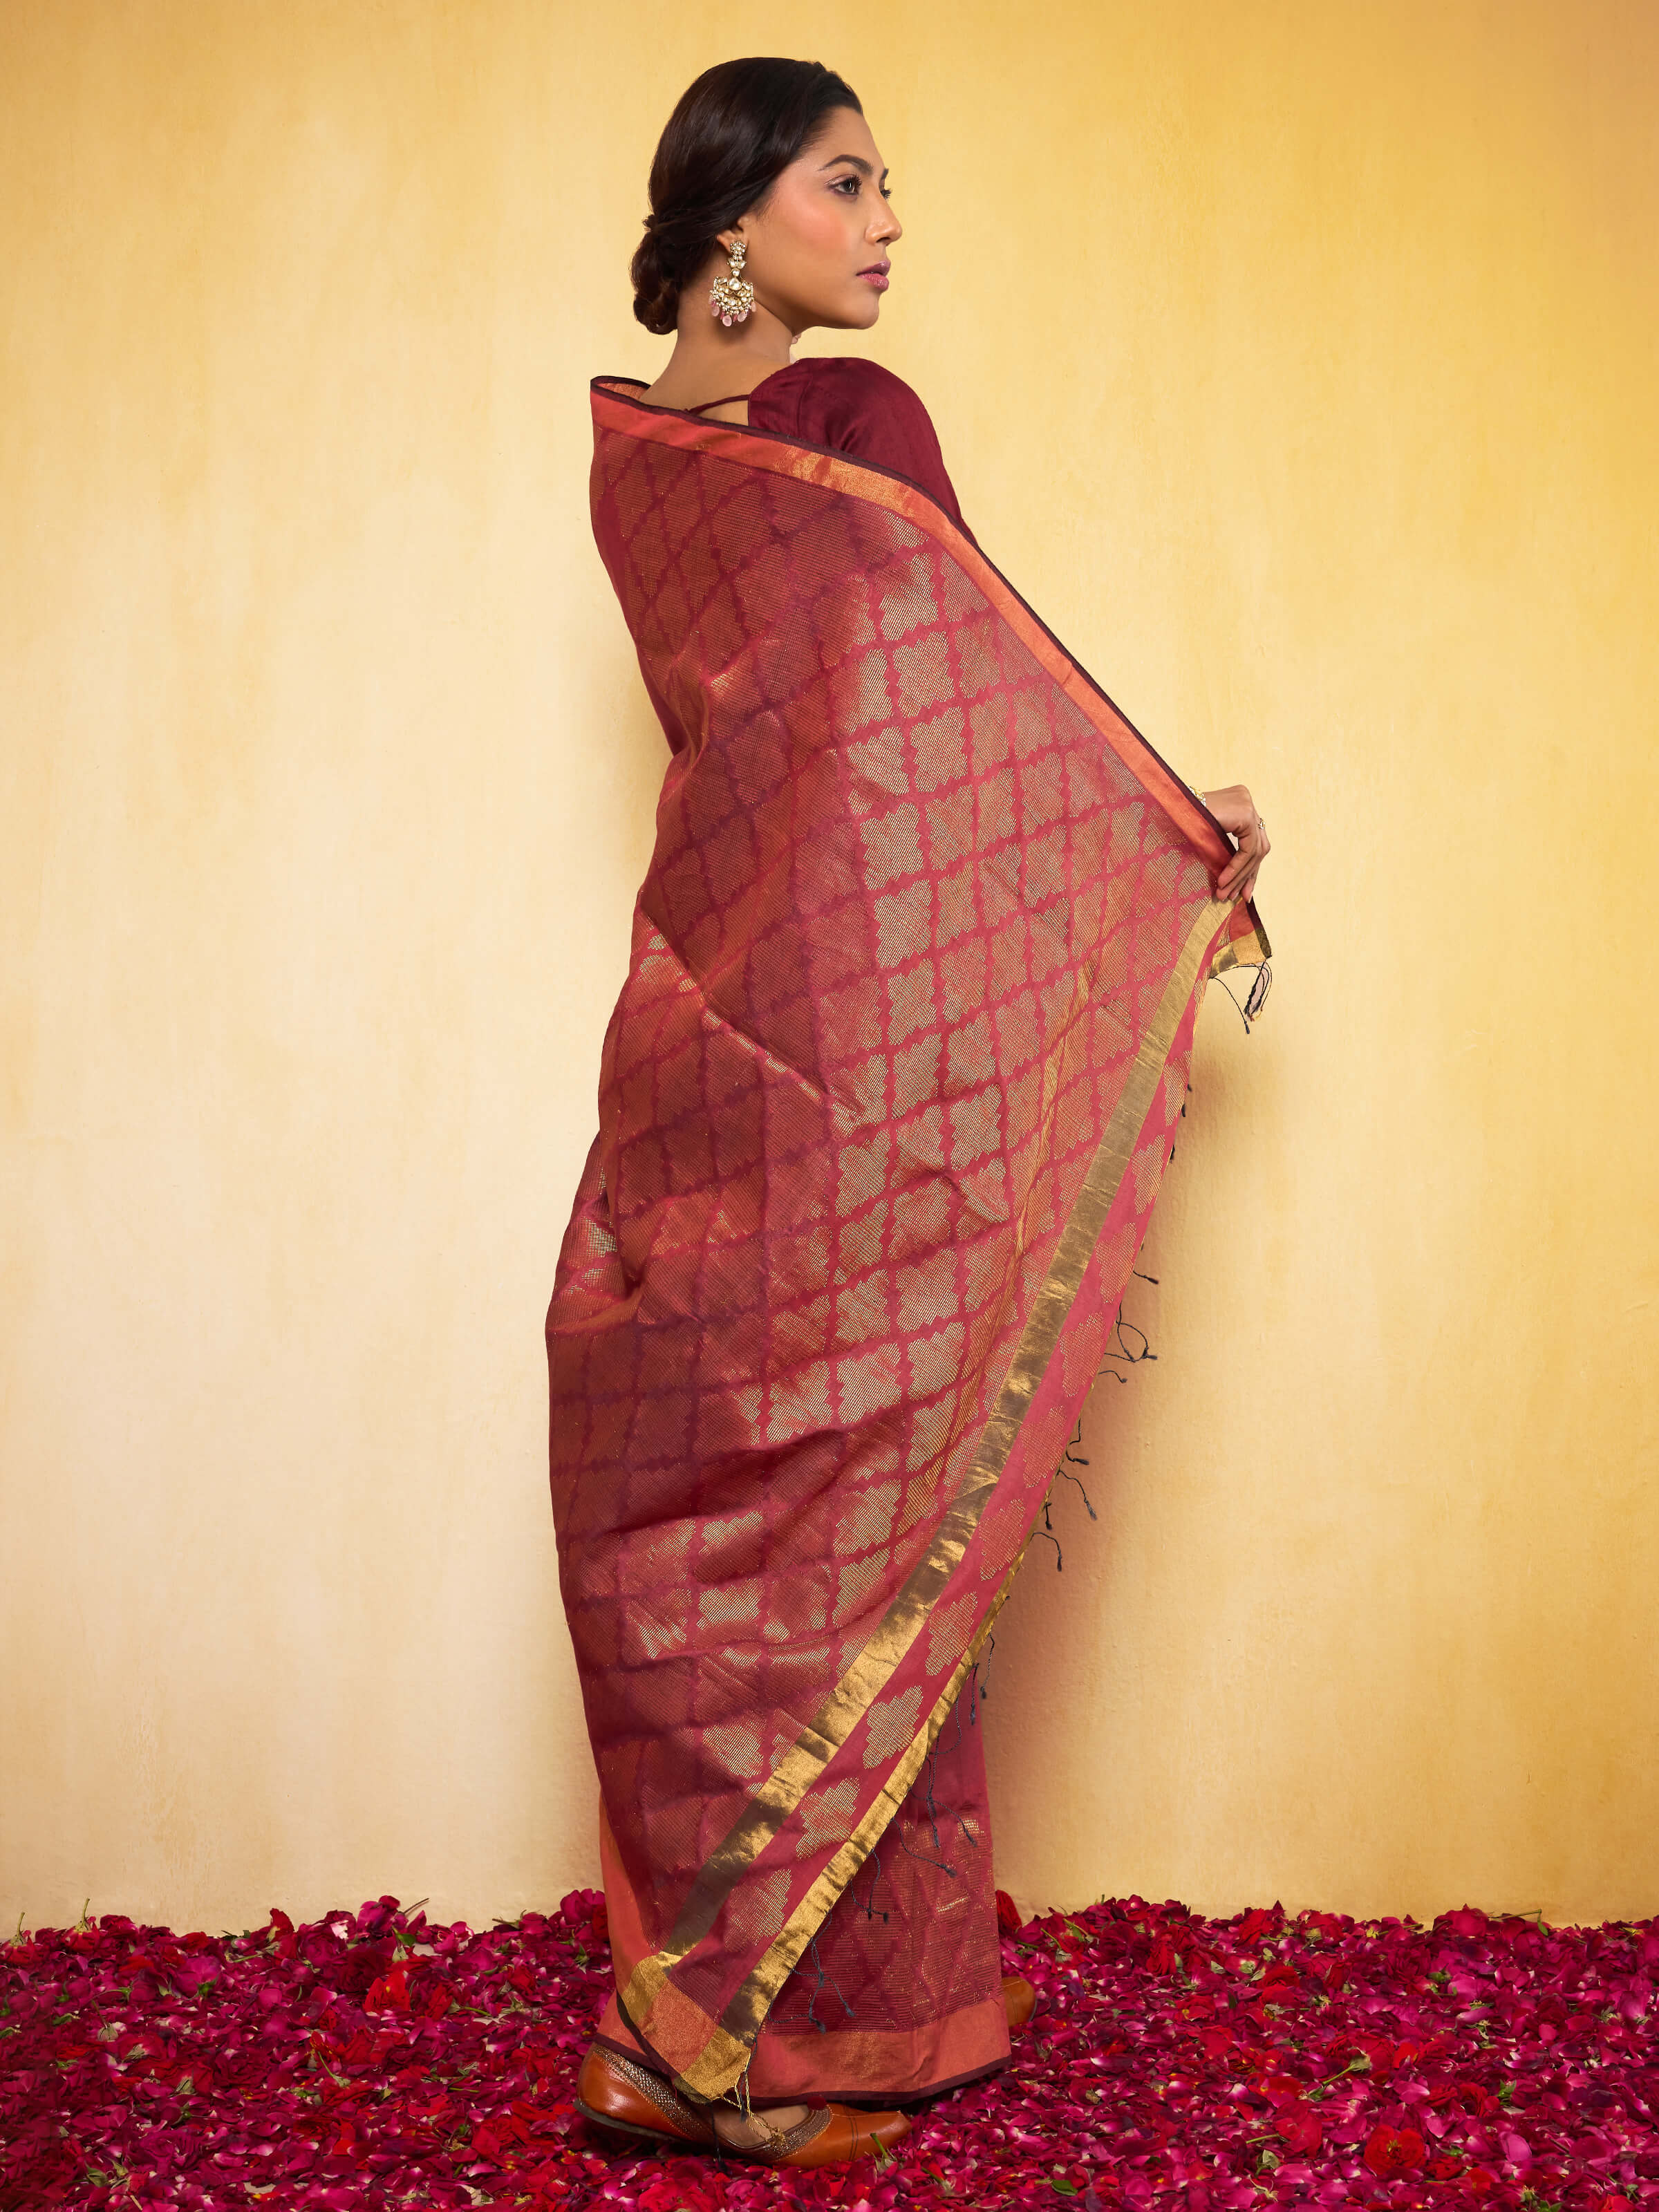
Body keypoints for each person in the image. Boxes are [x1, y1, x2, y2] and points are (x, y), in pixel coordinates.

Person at [547, 56, 1271, 2170]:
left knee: (752, 1506)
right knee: (843, 1502)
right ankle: (718, 2045)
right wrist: (1171, 831)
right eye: (847, 184)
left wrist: (1149, 816)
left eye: (886, 188)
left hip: (702, 1032)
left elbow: (868, 734)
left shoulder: (633, 463)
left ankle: (774, 2017)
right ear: (734, 220)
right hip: (833, 1048)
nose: (884, 224)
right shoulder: (846, 431)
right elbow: (968, 725)